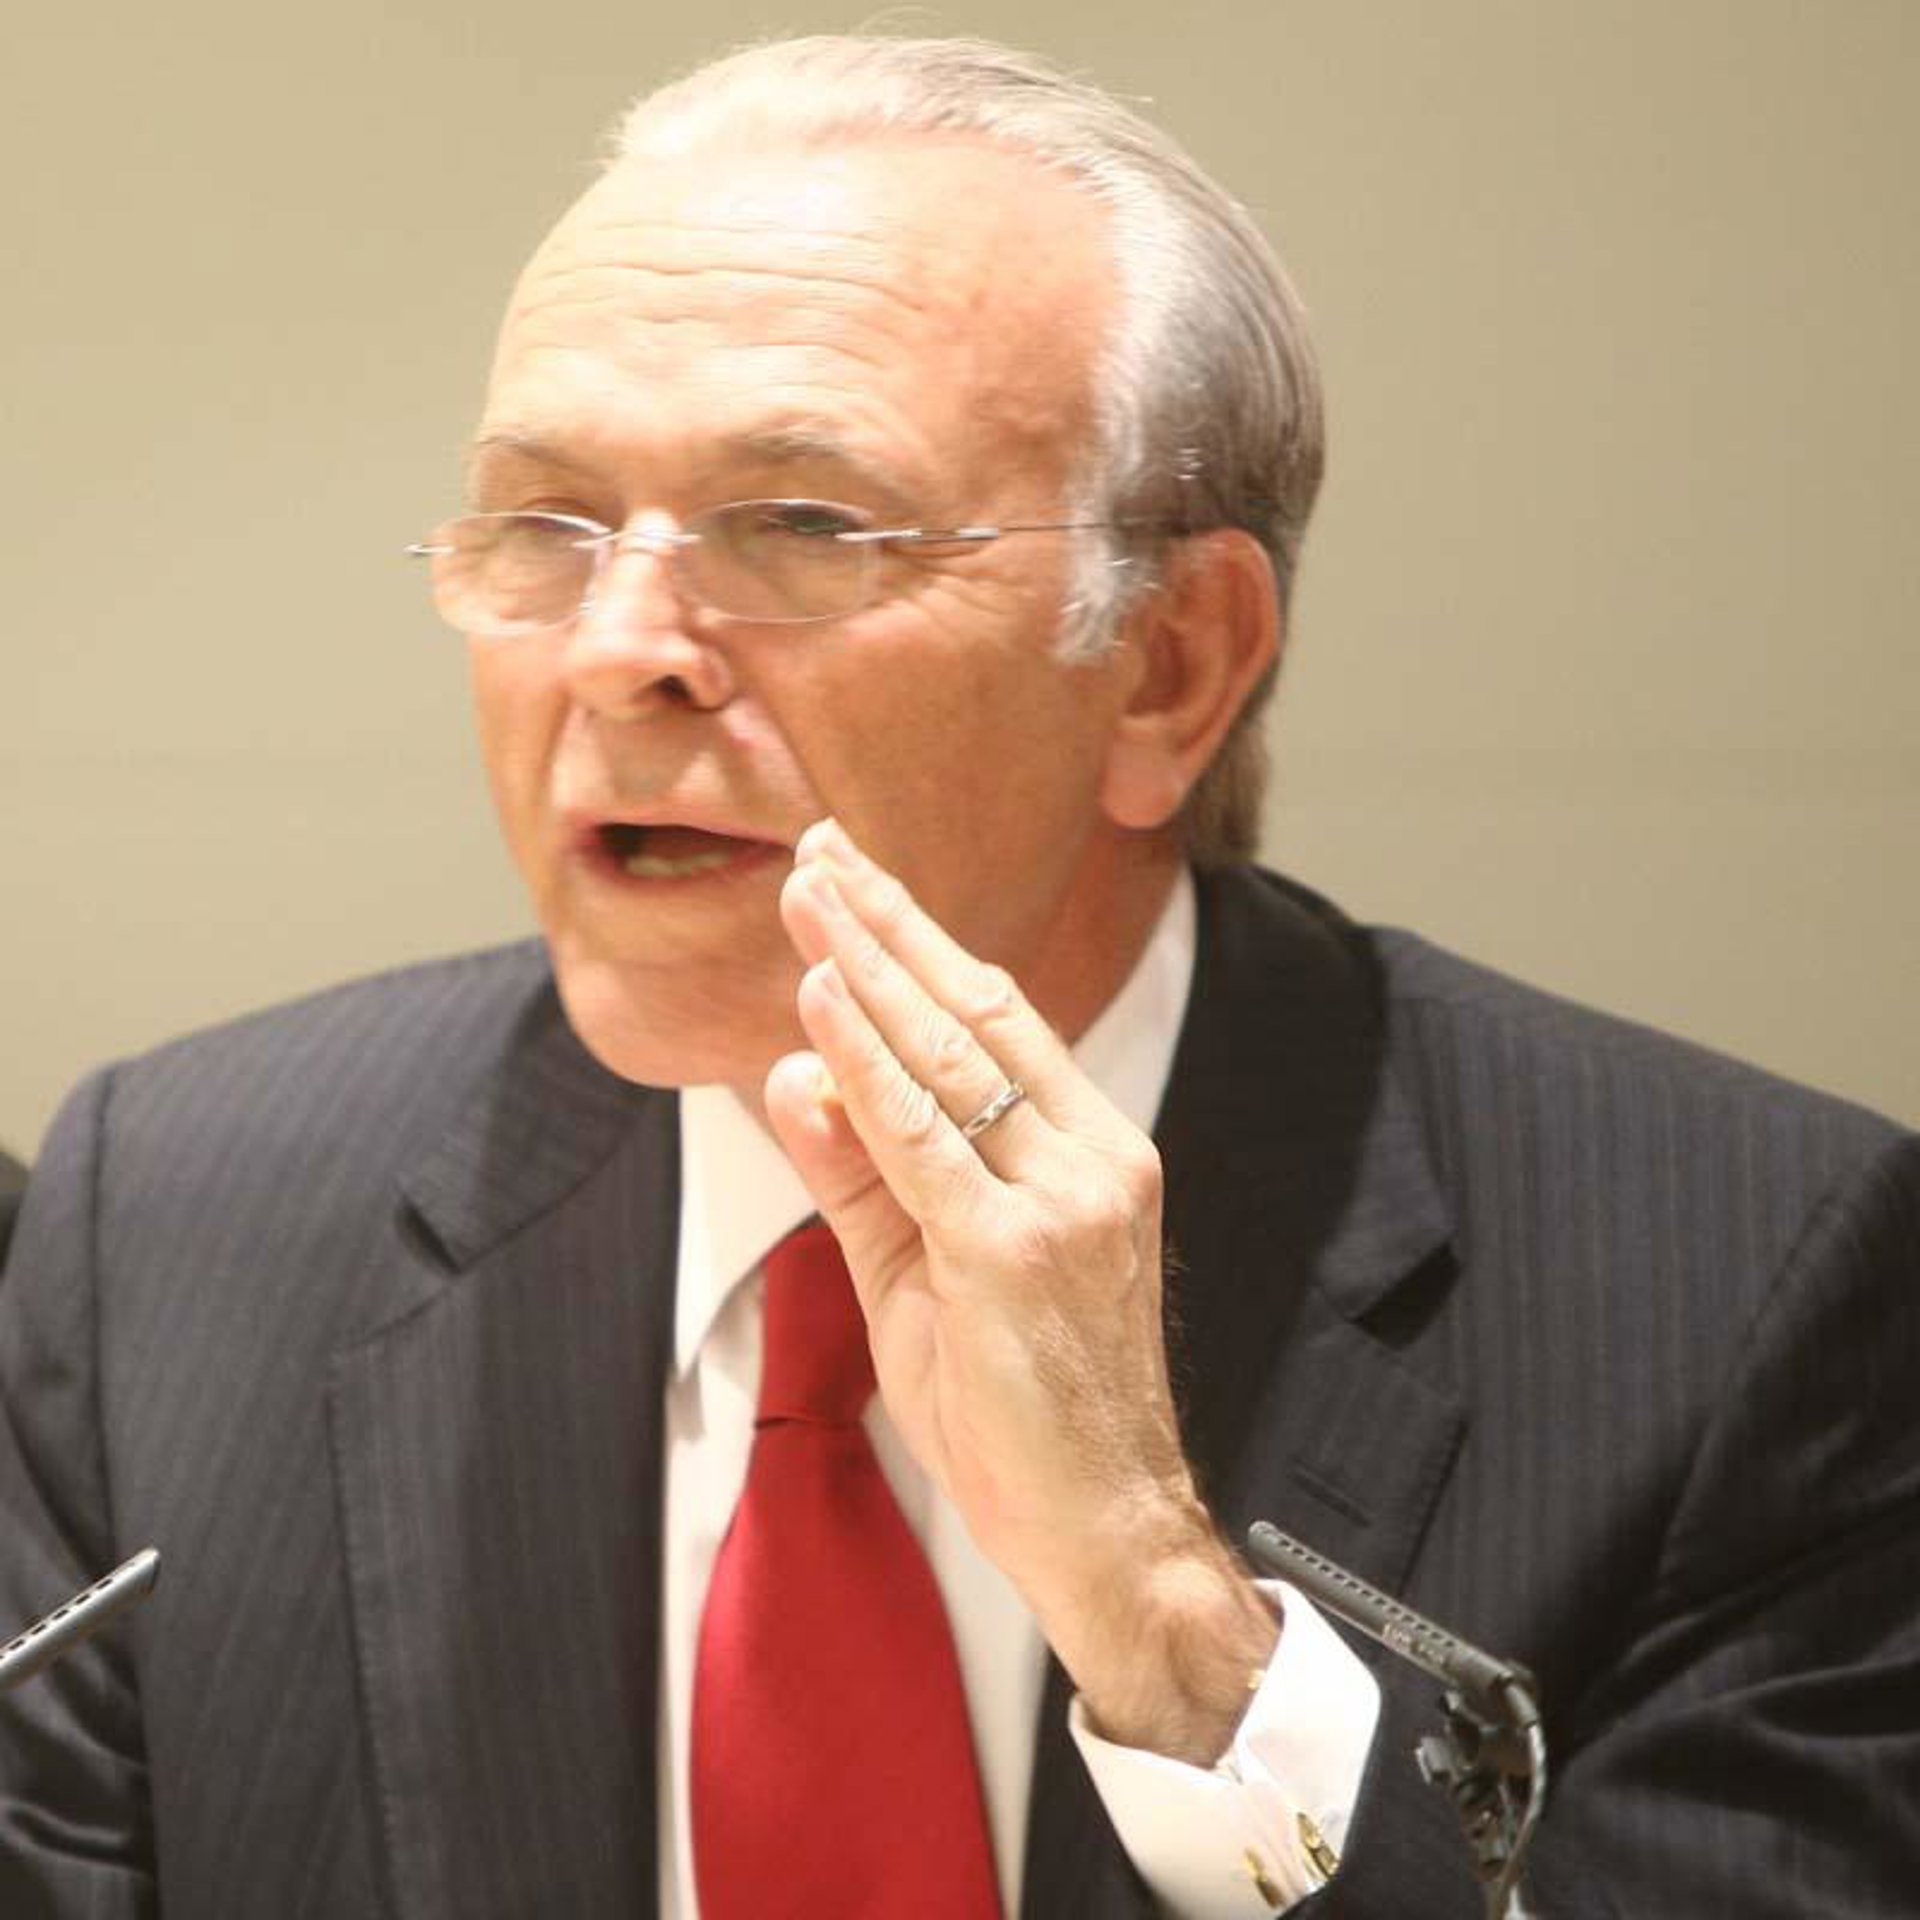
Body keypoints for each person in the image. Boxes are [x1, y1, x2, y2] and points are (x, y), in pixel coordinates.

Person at [2, 32, 1915, 1920]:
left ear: (1167, 664)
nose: (617, 649)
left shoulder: (1733, 1291)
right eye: (545, 523)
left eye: (800, 525)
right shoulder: (169, 1233)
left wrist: (1168, 1622)